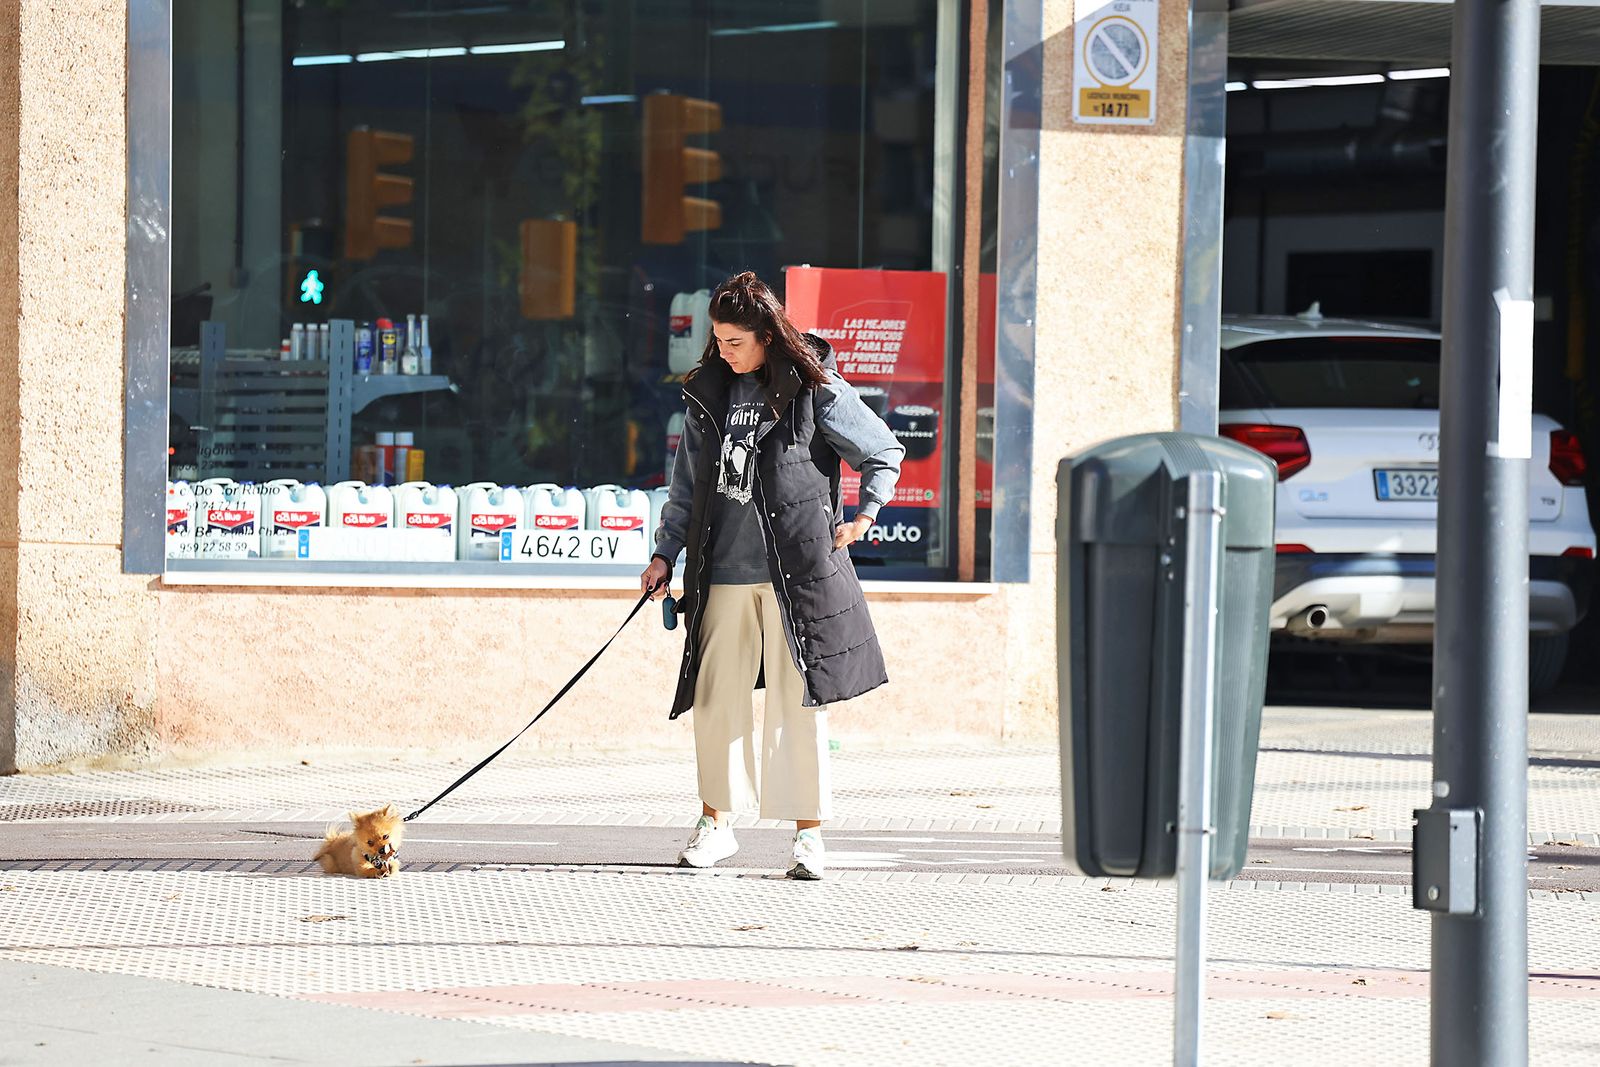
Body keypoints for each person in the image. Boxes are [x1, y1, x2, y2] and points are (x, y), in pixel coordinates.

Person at [642, 271, 904, 880]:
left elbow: (883, 450)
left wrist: (865, 514)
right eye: (717, 340)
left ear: (766, 335)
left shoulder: (815, 389)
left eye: (735, 341)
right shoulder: (708, 395)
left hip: (797, 575)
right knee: (714, 702)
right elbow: (686, 487)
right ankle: (716, 822)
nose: (724, 351)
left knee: (797, 704)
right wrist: (666, 553)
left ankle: (808, 837)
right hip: (721, 573)